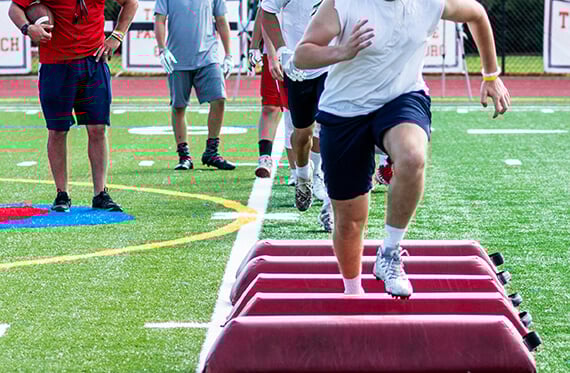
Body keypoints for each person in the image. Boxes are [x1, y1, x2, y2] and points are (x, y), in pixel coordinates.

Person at [294, 0, 510, 296]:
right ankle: (353, 292)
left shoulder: (431, 2)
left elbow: (476, 14)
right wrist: (341, 52)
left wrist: (490, 75)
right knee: (350, 223)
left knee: (412, 156)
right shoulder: (343, 4)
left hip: (401, 97)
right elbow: (302, 55)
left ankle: (390, 253)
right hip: (344, 109)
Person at [8, 0, 138, 212]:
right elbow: (15, 8)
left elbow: (130, 3)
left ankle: (100, 193)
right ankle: (62, 193)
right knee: (57, 131)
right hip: (56, 64)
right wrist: (28, 28)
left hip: (93, 62)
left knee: (97, 129)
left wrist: (117, 35)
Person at [261, 0, 333, 232]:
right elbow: (267, 12)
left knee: (332, 127)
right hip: (299, 64)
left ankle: (329, 193)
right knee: (303, 132)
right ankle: (303, 176)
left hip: (332, 64)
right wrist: (281, 49)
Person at [154, 0, 235, 171]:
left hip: (208, 55)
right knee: (178, 106)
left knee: (219, 98)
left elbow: (221, 20)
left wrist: (228, 54)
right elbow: (160, 20)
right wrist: (162, 49)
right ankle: (184, 155)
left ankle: (212, 152)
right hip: (177, 58)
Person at [248, 4, 295, 180]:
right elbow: (264, 10)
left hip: (304, 47)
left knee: (303, 112)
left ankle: (304, 168)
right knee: (271, 105)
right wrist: (255, 46)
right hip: (276, 49)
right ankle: (266, 157)